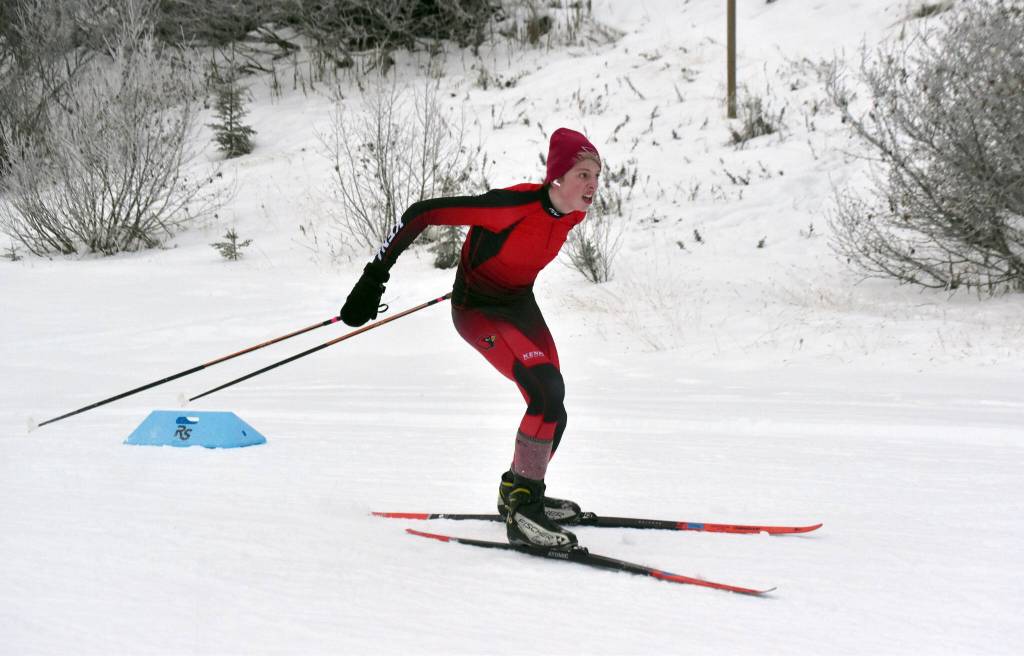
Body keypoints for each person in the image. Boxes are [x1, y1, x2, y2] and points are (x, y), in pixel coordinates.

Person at [340, 127, 601, 550]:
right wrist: (374, 278)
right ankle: (522, 514)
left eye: (597, 175)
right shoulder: (509, 205)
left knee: (556, 408)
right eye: (583, 174)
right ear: (557, 177)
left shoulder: (573, 213)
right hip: (478, 310)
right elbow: (420, 213)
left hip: (517, 304)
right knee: (546, 393)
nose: (592, 184)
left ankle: (519, 491)